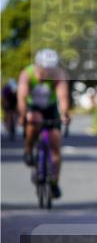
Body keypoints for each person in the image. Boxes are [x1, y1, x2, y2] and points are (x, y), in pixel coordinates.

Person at [18, 49, 71, 197]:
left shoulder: (59, 75)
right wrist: (22, 115)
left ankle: (54, 181)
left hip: (50, 108)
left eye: (50, 70)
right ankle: (28, 149)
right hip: (33, 107)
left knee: (55, 144)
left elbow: (63, 97)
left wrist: (64, 114)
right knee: (33, 120)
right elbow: (21, 98)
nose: (47, 73)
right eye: (44, 69)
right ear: (37, 66)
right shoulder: (27, 74)